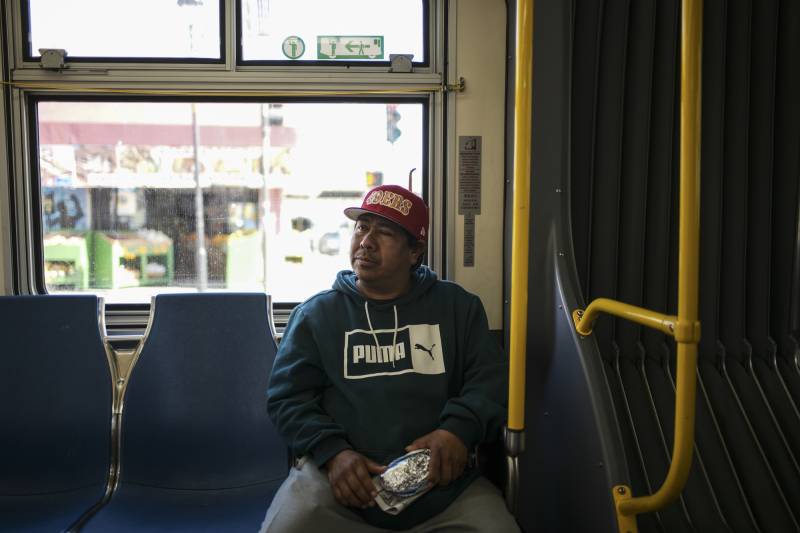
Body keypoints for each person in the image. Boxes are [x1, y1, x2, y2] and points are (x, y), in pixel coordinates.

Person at [261, 184, 520, 532]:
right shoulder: (317, 316)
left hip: (442, 486)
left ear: (415, 252)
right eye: (361, 227)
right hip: (339, 482)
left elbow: (490, 382)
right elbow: (286, 398)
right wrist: (333, 451)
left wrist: (457, 432)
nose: (366, 241)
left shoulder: (458, 309)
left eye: (383, 232)